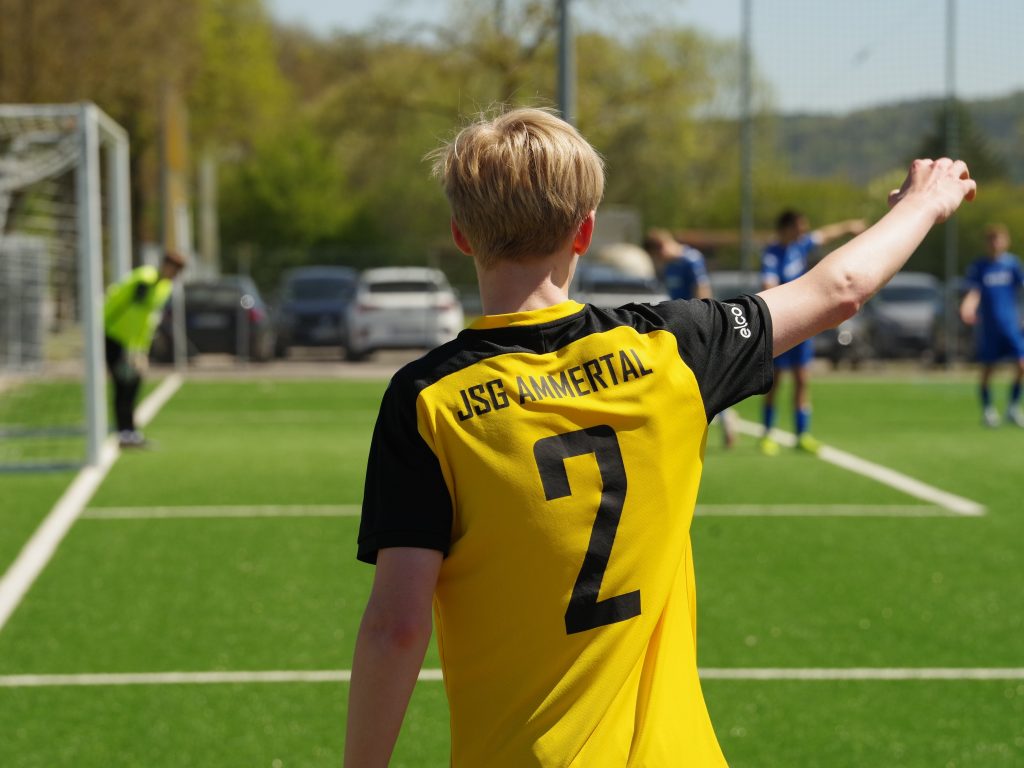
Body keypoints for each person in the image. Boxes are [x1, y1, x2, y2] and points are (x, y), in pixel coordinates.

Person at [344, 106, 974, 767]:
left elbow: (397, 627)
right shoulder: (673, 348)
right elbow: (840, 288)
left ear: (460, 234)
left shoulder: (429, 399)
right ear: (585, 231)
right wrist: (923, 204)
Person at [757, 210, 867, 456]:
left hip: (802, 323)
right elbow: (768, 284)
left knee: (802, 378)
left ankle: (802, 434)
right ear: (787, 228)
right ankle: (767, 434)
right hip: (781, 323)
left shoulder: (800, 246)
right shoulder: (772, 253)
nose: (804, 230)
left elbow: (825, 234)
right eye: (800, 226)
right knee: (775, 381)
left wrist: (849, 225)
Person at [643, 228, 737, 448]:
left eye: (656, 256)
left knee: (706, 377)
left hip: (696, 327)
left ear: (661, 247)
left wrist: (704, 324)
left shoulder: (691, 259)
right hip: (678, 328)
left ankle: (726, 419)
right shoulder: (669, 266)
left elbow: (702, 291)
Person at [103, 250, 187, 447]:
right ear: (165, 266)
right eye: (174, 270)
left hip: (135, 345)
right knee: (123, 385)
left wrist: (141, 349)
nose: (175, 275)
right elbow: (127, 308)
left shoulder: (164, 287)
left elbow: (147, 318)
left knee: (133, 385)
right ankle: (124, 432)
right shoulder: (145, 279)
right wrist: (128, 347)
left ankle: (129, 430)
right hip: (116, 338)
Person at [959, 224, 1024, 427]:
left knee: (1021, 364)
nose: (995, 244)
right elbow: (974, 292)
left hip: (1010, 325)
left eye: (999, 239)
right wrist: (967, 308)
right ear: (987, 243)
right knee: (988, 368)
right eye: (992, 240)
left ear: (1006, 242)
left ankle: (1013, 407)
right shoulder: (980, 267)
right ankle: (988, 410)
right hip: (989, 327)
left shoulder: (1012, 265)